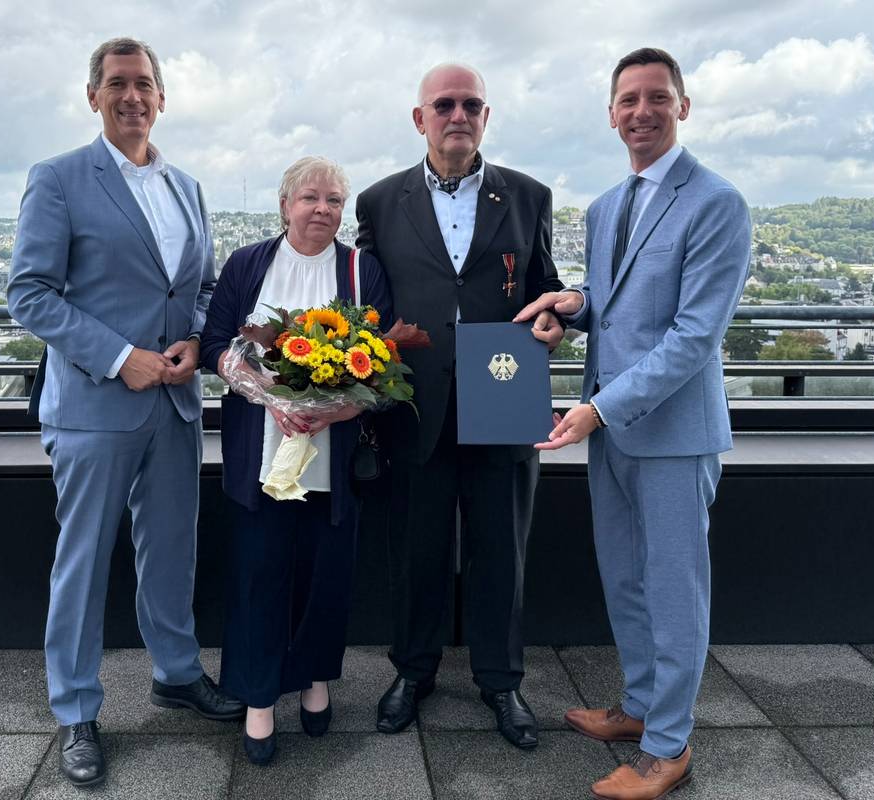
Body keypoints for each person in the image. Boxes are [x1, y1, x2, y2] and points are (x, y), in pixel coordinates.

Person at [514, 48, 751, 799]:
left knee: (674, 588)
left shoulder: (717, 202)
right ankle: (643, 710)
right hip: (611, 428)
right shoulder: (608, 206)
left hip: (669, 433)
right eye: (627, 100)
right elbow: (617, 306)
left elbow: (692, 337)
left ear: (684, 106)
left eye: (657, 97)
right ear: (611, 113)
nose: (641, 112)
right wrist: (573, 307)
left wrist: (598, 409)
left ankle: (669, 749)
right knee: (626, 579)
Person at [6, 37, 242, 788]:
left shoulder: (188, 188)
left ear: (163, 97)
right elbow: (30, 293)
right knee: (81, 564)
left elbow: (201, 290)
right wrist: (120, 356)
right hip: (95, 406)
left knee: (173, 550)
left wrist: (197, 344)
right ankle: (75, 709)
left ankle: (175, 672)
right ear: (93, 96)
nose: (132, 96)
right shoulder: (59, 179)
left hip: (174, 402)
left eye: (144, 84)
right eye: (117, 84)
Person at [355, 63, 565, 750]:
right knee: (415, 549)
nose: (458, 114)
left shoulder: (529, 197)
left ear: (485, 115)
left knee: (499, 548)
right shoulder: (379, 202)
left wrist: (554, 325)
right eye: (443, 104)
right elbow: (366, 306)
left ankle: (502, 682)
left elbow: (548, 291)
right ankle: (412, 673)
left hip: (504, 394)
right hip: (414, 405)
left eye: (471, 104)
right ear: (419, 118)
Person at [200, 156, 394, 766]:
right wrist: (269, 397)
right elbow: (214, 347)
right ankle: (259, 698)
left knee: (324, 575)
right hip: (262, 455)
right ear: (284, 204)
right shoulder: (247, 265)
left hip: (332, 457)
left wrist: (340, 409)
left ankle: (314, 681)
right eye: (310, 198)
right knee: (260, 574)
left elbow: (385, 360)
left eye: (334, 200)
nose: (322, 210)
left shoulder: (363, 271)